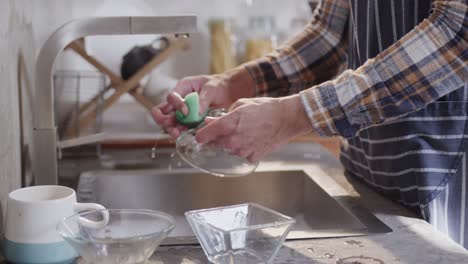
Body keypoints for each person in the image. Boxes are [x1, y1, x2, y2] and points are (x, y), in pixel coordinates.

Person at [153, 0, 468, 248]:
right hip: (366, 169)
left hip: (441, 171)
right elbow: (329, 34)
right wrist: (231, 84)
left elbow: (458, 32)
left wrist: (291, 116)